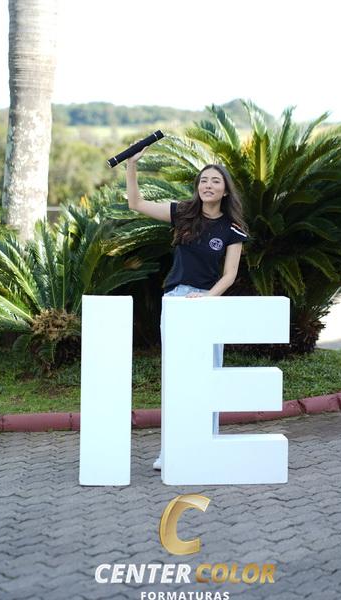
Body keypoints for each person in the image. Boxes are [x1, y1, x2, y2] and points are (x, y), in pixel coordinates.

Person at [126, 148, 250, 470]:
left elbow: (230, 275)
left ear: (225, 190)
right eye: (204, 180)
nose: (208, 185)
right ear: (198, 186)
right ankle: (170, 452)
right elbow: (136, 204)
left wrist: (208, 298)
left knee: (210, 377)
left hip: (208, 303)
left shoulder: (232, 229)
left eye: (216, 181)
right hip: (178, 300)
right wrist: (132, 166)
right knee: (176, 378)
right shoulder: (182, 213)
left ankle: (208, 445)